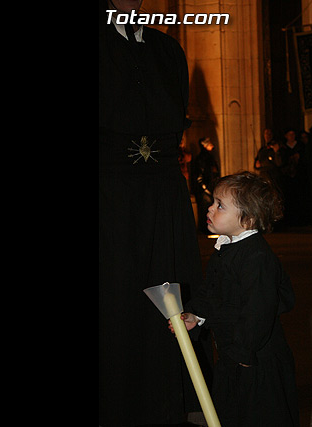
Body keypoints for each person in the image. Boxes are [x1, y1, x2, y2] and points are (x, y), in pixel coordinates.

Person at [99, 1, 212, 425]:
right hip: (109, 197)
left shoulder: (168, 50)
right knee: (116, 296)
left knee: (168, 293)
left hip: (163, 194)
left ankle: (166, 401)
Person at [169, 171, 300, 426]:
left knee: (261, 413)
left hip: (257, 359)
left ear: (247, 219)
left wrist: (243, 351)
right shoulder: (227, 245)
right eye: (213, 202)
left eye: (220, 205)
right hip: (232, 351)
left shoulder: (256, 258)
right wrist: (196, 315)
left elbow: (258, 310)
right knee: (229, 409)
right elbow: (213, 292)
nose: (210, 208)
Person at [192, 137, 221, 234]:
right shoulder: (202, 158)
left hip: (210, 188)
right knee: (205, 210)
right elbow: (199, 176)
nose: (211, 144)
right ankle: (206, 230)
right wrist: (205, 189)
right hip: (205, 191)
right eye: (209, 143)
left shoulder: (209, 157)